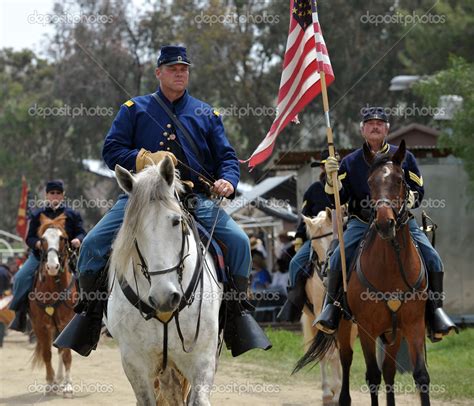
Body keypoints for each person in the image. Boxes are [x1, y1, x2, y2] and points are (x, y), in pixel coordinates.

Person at [63, 45, 271, 356]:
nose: (179, 73)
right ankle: (89, 317)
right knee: (92, 245)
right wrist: (144, 158)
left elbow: (226, 157)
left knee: (240, 242)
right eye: (172, 69)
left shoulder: (207, 113)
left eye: (184, 69)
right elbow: (112, 151)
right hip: (142, 197)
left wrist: (228, 179)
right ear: (158, 73)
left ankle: (237, 315)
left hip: (194, 199)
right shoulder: (134, 109)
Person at [315, 107, 458, 342]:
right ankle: (331, 310)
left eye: (379, 123)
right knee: (335, 259)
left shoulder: (405, 157)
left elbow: (418, 190)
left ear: (387, 129)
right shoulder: (349, 162)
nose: (374, 126)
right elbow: (336, 199)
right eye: (369, 123)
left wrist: (402, 203)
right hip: (361, 223)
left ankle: (435, 313)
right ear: (362, 130)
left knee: (433, 257)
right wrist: (332, 180)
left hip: (400, 222)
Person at [9, 180, 86, 332]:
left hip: (67, 256)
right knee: (20, 278)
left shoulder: (72, 214)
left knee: (86, 277)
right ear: (47, 195)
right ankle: (20, 314)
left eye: (58, 193)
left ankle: (87, 315)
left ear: (63, 195)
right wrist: (37, 243)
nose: (55, 196)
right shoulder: (38, 214)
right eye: (52, 193)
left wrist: (79, 239)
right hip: (40, 257)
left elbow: (81, 232)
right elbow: (29, 237)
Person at [277, 151, 333, 322]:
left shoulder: (347, 186)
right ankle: (294, 303)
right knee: (294, 264)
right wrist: (300, 238)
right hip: (317, 238)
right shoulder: (314, 190)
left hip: (342, 235)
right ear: (323, 167)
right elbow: (304, 216)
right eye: (327, 164)